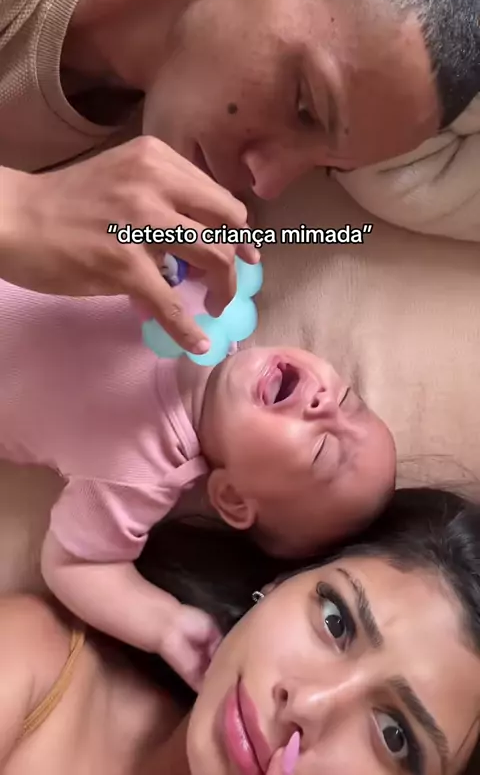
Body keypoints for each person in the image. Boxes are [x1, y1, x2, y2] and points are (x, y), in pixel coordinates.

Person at [0, 0, 478, 352]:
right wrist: (22, 212)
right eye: (304, 108)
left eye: (325, 168)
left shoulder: (131, 165)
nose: (265, 184)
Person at [0, 276, 395, 689]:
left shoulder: (140, 472)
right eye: (347, 399)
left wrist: (166, 625)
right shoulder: (219, 289)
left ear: (233, 499)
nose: (325, 403)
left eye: (322, 450)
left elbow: (76, 564)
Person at [0, 486, 479, 774]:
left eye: (395, 736)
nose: (309, 705)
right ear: (278, 585)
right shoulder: (39, 666)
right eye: (336, 621)